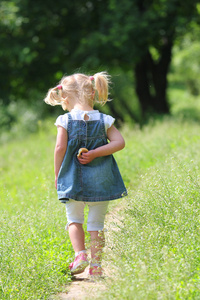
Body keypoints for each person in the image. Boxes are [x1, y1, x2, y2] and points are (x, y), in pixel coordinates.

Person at [44, 71, 127, 278]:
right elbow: (120, 143)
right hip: (102, 179)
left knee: (74, 220)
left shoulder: (64, 120)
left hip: (71, 179)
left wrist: (57, 174)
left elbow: (59, 148)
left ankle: (80, 255)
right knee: (97, 224)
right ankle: (96, 266)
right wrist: (96, 153)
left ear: (65, 98)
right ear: (92, 92)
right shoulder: (105, 120)